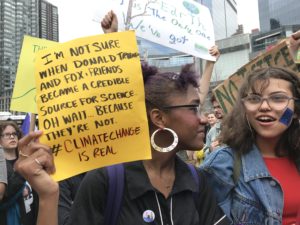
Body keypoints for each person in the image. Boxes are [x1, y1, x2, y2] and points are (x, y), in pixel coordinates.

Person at [14, 60, 231, 225]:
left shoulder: (196, 180)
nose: (203, 118)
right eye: (194, 108)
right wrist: (48, 196)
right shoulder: (106, 181)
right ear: (158, 118)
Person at [201, 66, 300, 224]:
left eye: (278, 98)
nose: (264, 107)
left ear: (295, 110)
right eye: (254, 99)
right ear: (244, 108)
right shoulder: (223, 164)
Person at [0, 121, 39, 225]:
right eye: (7, 135)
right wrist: (22, 170)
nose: (12, 137)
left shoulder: (29, 161)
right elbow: (5, 195)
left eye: (14, 134)